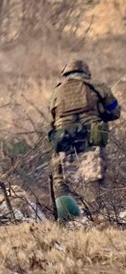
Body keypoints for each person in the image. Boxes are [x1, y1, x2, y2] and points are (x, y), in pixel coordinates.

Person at [49, 57, 120, 207]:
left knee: (60, 178)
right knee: (93, 175)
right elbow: (115, 111)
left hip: (63, 137)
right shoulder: (98, 86)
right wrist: (101, 113)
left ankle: (65, 215)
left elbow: (54, 116)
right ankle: (93, 211)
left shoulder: (56, 91)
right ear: (86, 72)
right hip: (90, 134)